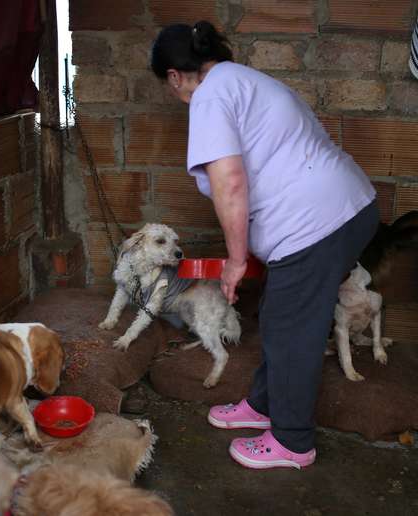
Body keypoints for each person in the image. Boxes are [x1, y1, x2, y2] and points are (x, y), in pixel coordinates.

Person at [150, 21, 379, 469]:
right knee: (281, 313)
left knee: (293, 327)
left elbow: (231, 184)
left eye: (167, 84)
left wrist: (236, 261)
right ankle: (263, 404)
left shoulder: (210, 96)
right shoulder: (243, 79)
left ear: (175, 76)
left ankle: (293, 442)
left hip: (317, 222)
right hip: (345, 208)